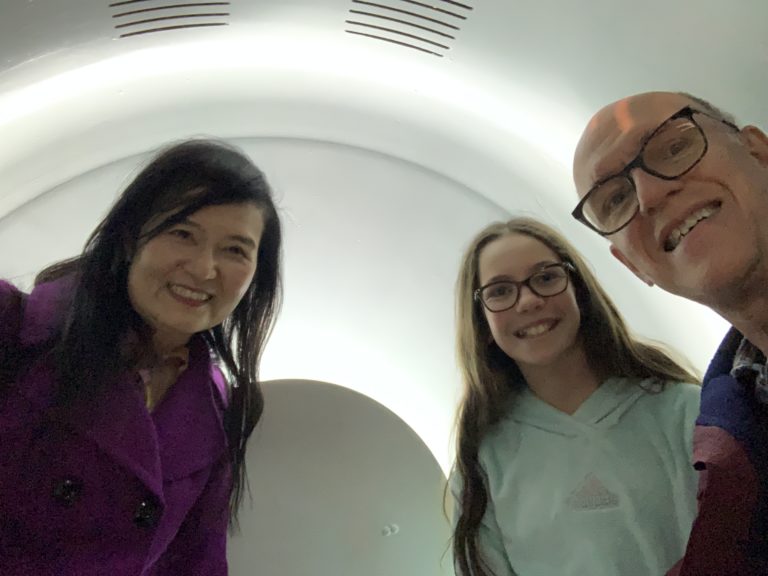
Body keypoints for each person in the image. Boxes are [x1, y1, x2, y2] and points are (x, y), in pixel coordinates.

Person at [0, 139, 282, 575]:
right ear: (131, 237)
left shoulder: (218, 408)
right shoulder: (15, 329)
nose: (204, 269)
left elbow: (197, 562)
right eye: (182, 234)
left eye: (235, 250)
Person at [572, 91, 768, 575]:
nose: (649, 195)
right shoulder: (730, 432)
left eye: (674, 147)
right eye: (616, 199)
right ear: (633, 265)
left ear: (760, 152)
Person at [449, 217, 701, 576]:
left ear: (578, 290)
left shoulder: (685, 411)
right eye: (500, 291)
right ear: (482, 322)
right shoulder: (482, 463)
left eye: (545, 278)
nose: (529, 301)